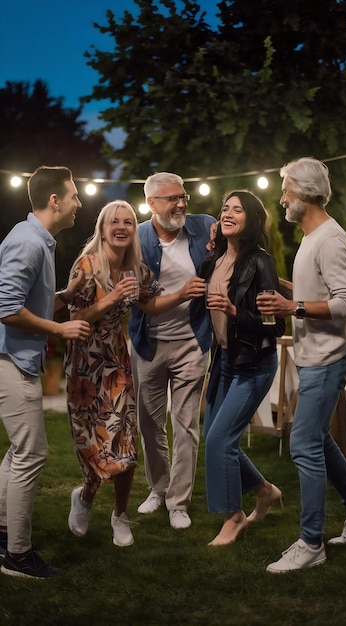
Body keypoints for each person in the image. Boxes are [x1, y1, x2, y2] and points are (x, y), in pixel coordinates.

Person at [65, 199, 206, 545]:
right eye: (114, 221)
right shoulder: (85, 266)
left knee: (124, 441)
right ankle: (84, 496)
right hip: (84, 365)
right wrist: (112, 300)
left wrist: (182, 295)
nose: (122, 227)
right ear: (102, 227)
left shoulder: (136, 268)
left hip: (116, 362)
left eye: (128, 222)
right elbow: (74, 320)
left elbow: (152, 303)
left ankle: (121, 515)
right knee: (92, 445)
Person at [256, 157, 346, 573]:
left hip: (327, 359)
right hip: (313, 357)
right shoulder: (312, 238)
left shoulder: (330, 239)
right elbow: (317, 292)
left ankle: (311, 543)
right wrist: (283, 289)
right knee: (317, 441)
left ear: (306, 193)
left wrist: (291, 305)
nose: (282, 199)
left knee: (303, 445)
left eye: (286, 191)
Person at [0, 165, 91, 579]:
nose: (79, 203)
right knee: (31, 455)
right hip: (9, 362)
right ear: (54, 201)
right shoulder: (28, 242)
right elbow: (6, 309)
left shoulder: (38, 240)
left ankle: (4, 538)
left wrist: (64, 297)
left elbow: (29, 304)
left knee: (18, 453)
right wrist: (60, 327)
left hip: (16, 360)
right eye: (74, 195)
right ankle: (18, 556)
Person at [128, 172, 216, 529]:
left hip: (192, 343)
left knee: (185, 426)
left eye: (184, 197)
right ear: (151, 204)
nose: (181, 204)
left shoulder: (204, 226)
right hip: (149, 343)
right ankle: (158, 488)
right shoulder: (136, 239)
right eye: (171, 199)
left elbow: (236, 245)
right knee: (149, 423)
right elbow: (141, 300)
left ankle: (179, 502)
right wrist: (181, 293)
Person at [199, 189, 285, 546]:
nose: (229, 212)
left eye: (237, 209)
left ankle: (233, 516)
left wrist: (236, 312)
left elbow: (274, 326)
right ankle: (264, 490)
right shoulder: (214, 262)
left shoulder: (260, 262)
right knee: (216, 437)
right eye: (225, 208)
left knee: (220, 440)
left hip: (253, 363)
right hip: (223, 360)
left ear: (250, 219)